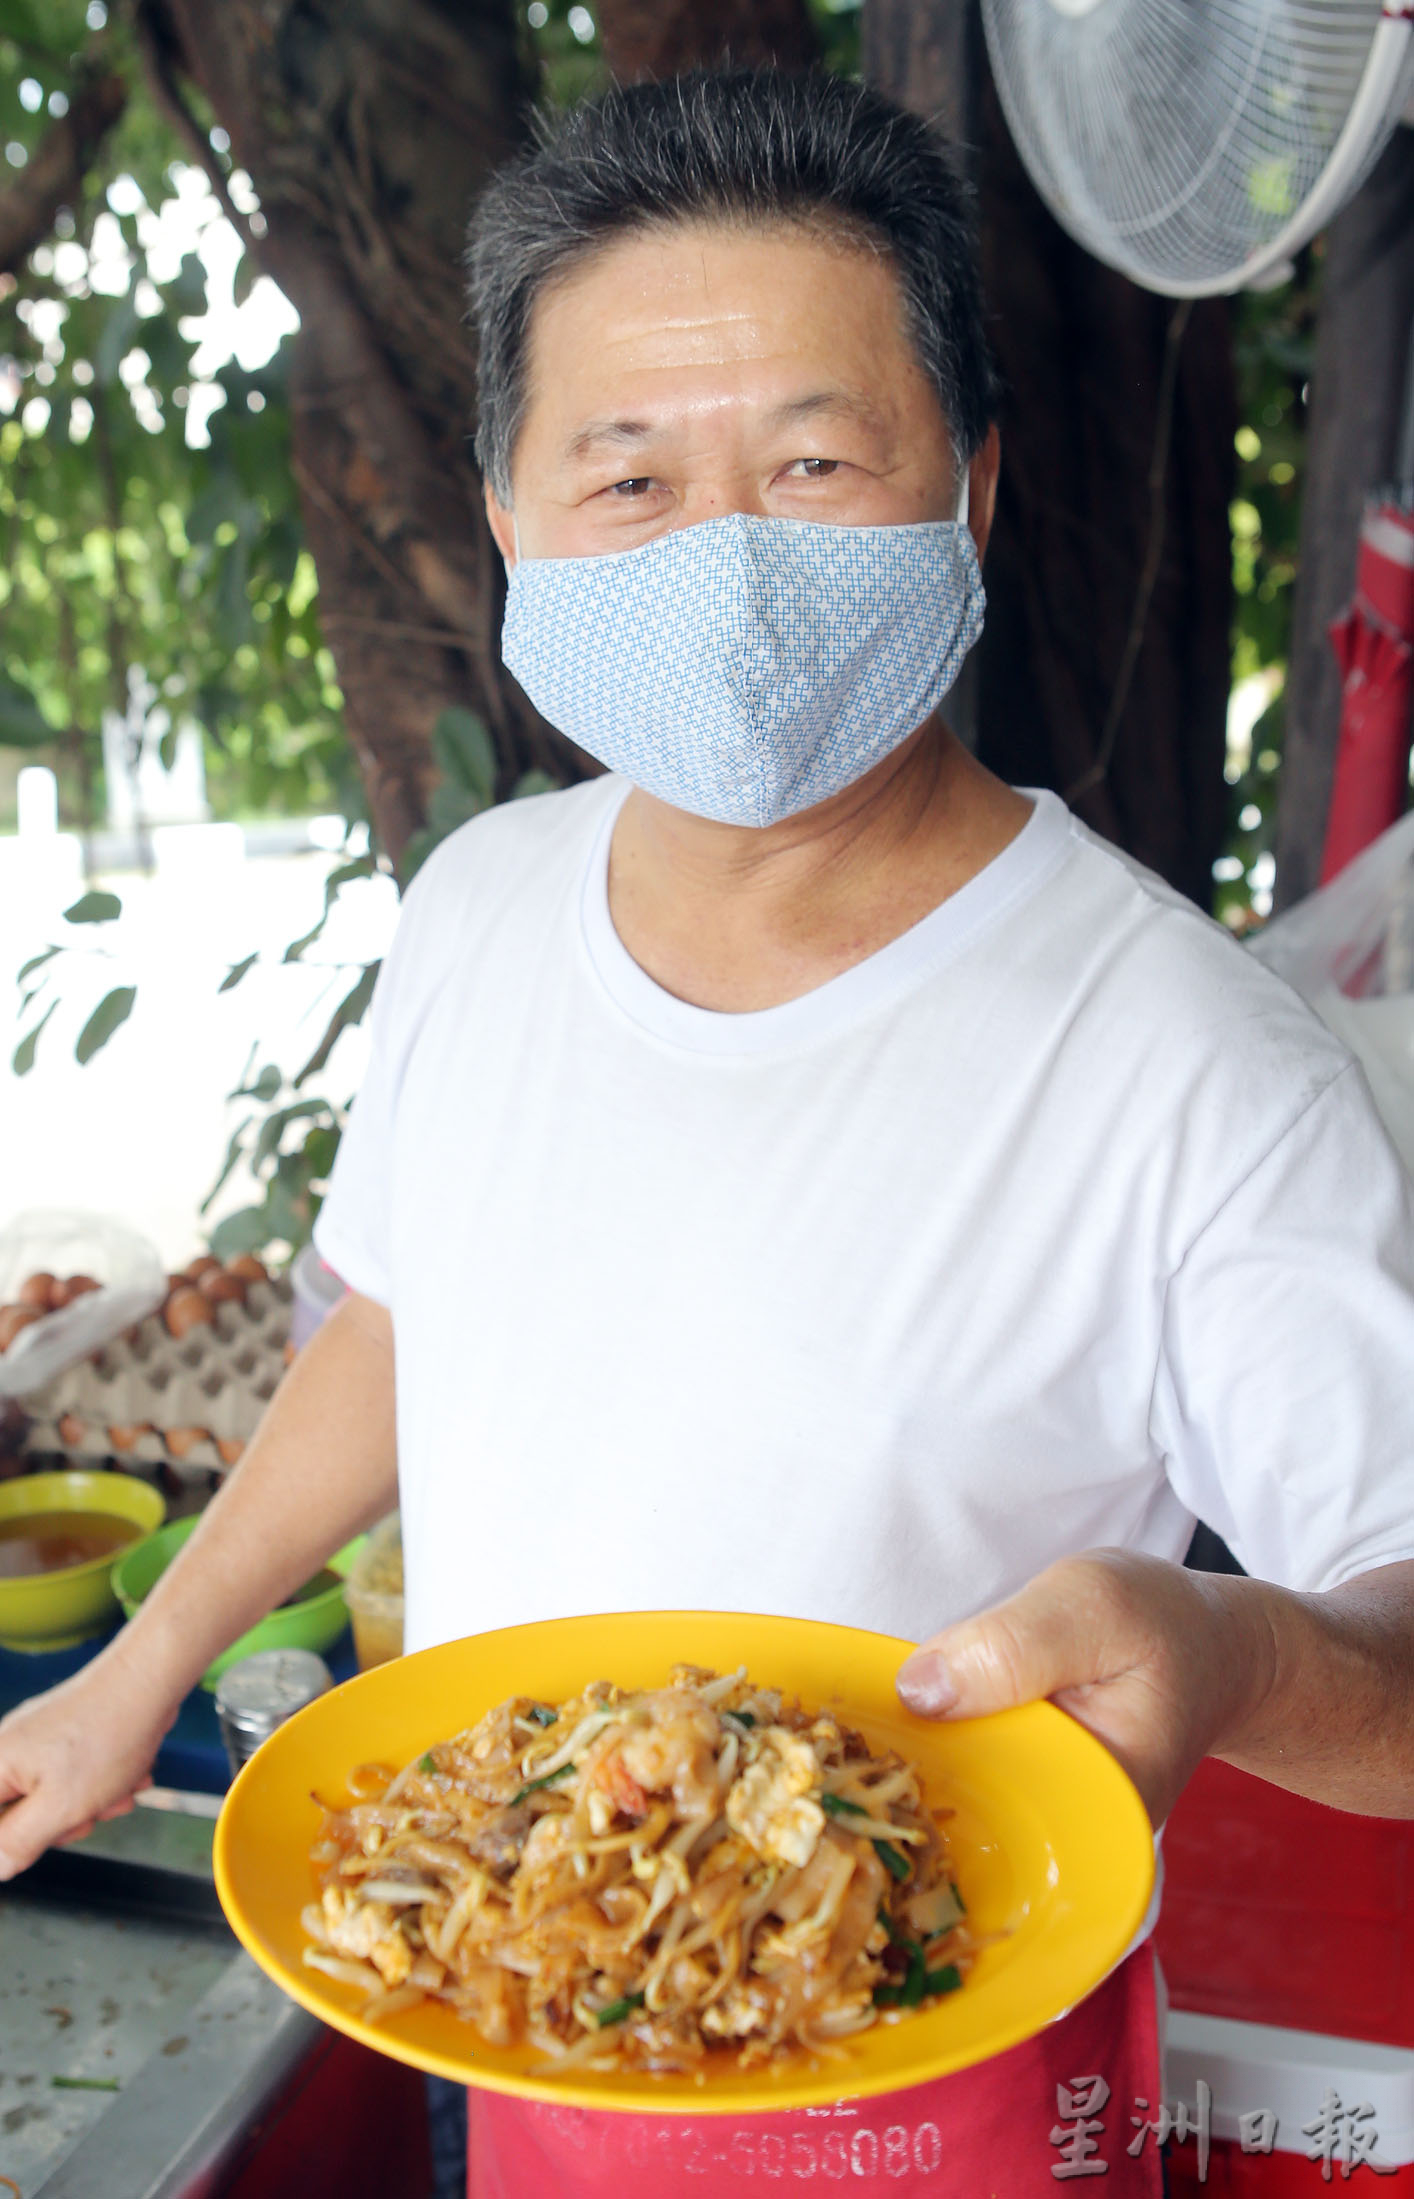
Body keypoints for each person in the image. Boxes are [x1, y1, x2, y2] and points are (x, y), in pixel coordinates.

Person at [1, 64, 1412, 2197]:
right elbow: (399, 1313)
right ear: (507, 516)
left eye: (817, 459)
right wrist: (153, 1659)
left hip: (945, 2095)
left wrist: (1228, 1646)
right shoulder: (477, 909)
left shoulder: (1186, 1059)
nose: (726, 558)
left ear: (976, 491)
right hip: (544, 2008)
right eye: (630, 476)